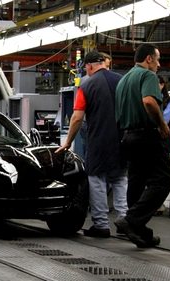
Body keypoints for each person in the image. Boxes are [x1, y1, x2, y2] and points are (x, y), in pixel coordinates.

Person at [56, 51, 127, 238]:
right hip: (122, 139)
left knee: (96, 179)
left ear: (88, 66)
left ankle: (101, 225)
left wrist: (68, 142)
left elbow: (77, 117)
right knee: (120, 179)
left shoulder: (86, 85)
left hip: (98, 140)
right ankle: (125, 221)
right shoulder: (122, 81)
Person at [115, 43, 170, 248]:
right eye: (157, 59)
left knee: (137, 182)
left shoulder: (123, 80)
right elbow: (149, 101)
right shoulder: (147, 76)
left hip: (128, 137)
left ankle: (139, 231)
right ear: (148, 59)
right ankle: (131, 220)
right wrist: (162, 124)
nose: (158, 64)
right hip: (148, 135)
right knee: (163, 180)